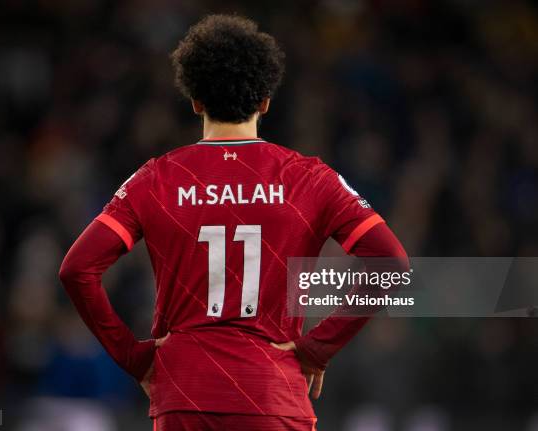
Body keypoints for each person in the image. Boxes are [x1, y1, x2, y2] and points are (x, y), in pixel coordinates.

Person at [59, 14, 408, 431]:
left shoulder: (156, 178)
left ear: (196, 101)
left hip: (184, 394)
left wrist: (133, 357)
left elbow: (77, 269)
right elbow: (392, 264)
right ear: (265, 102)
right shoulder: (309, 178)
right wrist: (318, 347)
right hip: (272, 393)